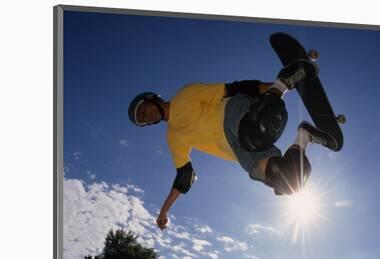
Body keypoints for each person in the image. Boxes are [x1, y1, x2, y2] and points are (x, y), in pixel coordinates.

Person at [128, 59, 337, 230]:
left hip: (232, 114)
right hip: (239, 151)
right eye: (143, 120)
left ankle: (284, 81)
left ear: (151, 98)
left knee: (256, 132)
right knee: (289, 181)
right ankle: (305, 135)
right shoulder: (173, 137)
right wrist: (165, 210)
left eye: (143, 111)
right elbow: (185, 176)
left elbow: (235, 88)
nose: (146, 116)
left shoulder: (185, 95)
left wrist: (277, 89)